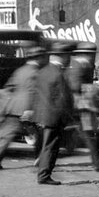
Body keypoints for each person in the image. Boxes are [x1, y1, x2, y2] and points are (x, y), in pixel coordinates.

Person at [0, 45, 45, 170]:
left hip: (13, 106)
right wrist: (29, 108)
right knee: (39, 135)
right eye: (42, 57)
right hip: (27, 108)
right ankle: (38, 160)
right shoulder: (36, 73)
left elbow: (9, 87)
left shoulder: (20, 70)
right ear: (38, 58)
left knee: (9, 135)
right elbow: (32, 91)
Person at [32, 40, 74, 185]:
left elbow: (37, 94)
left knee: (46, 145)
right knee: (51, 147)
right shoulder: (59, 74)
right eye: (68, 56)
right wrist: (68, 117)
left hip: (42, 115)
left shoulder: (43, 71)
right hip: (54, 116)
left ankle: (43, 174)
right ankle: (44, 175)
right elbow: (63, 99)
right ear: (63, 57)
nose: (69, 59)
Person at [65, 48, 99, 171]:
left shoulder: (82, 65)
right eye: (90, 54)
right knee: (88, 135)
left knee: (87, 134)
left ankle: (97, 161)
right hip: (82, 107)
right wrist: (90, 89)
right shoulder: (78, 66)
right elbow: (75, 86)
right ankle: (98, 162)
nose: (91, 57)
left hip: (82, 106)